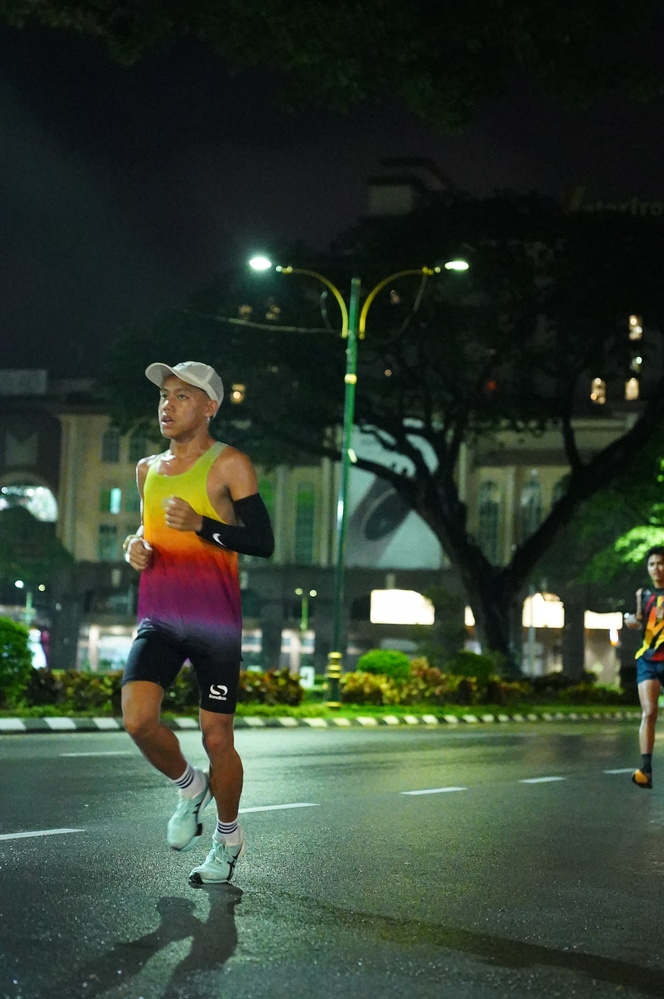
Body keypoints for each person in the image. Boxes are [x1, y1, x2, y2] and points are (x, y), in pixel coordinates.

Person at [122, 360, 274, 884]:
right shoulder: (146, 469)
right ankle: (190, 787)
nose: (167, 405)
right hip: (160, 617)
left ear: (210, 407)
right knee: (138, 721)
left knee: (216, 737)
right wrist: (134, 545)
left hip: (215, 624)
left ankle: (228, 838)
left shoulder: (230, 464)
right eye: (164, 395)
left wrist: (204, 525)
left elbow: (263, 541)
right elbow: (148, 529)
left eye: (182, 396)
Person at [623, 545, 664, 789]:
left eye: (660, 563)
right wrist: (631, 622)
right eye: (652, 564)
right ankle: (646, 770)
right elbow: (639, 621)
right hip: (648, 660)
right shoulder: (644, 593)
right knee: (649, 713)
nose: (656, 568)